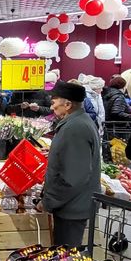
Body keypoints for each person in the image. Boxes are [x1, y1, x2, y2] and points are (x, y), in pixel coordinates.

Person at [43, 82, 101, 247]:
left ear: (67, 104)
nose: (51, 106)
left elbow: (72, 177)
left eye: (54, 102)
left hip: (72, 208)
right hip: (73, 204)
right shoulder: (77, 123)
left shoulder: (75, 128)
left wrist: (49, 201)